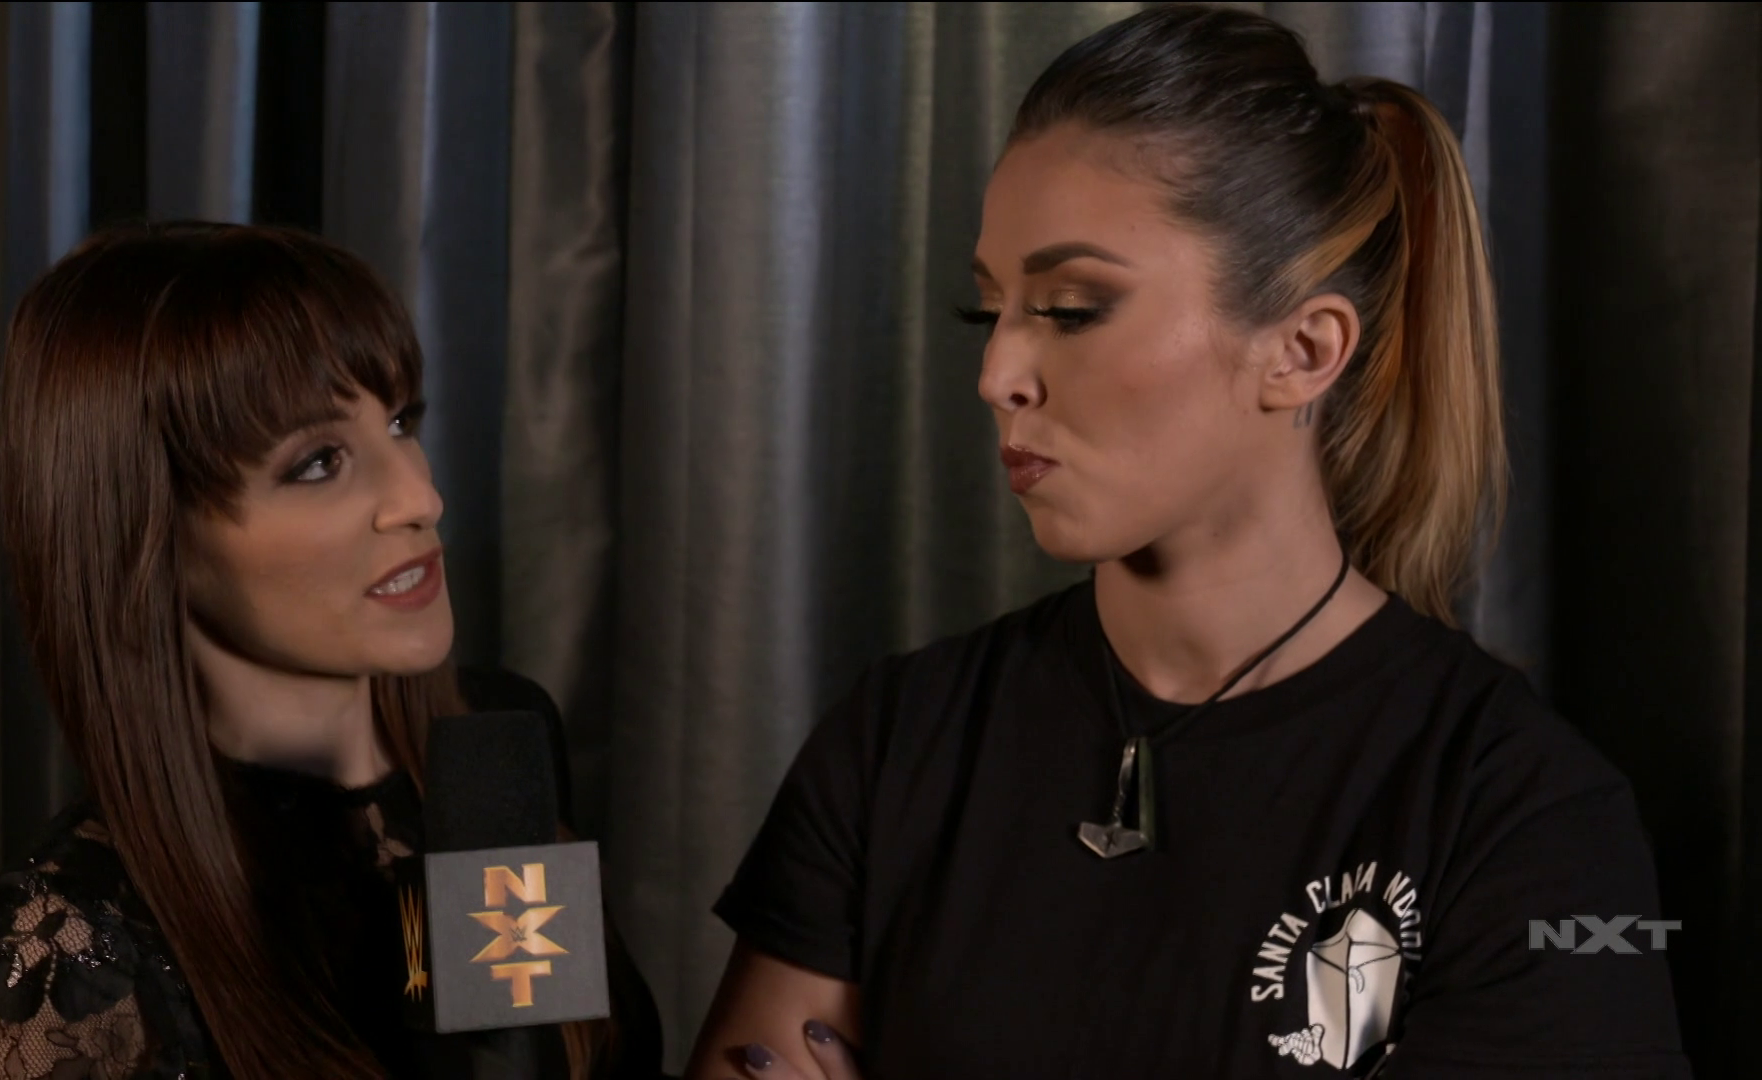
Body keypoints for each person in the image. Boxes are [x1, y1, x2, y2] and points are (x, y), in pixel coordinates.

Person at [688, 6, 1690, 1079]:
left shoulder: (1527, 814)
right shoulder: (899, 742)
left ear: (1302, 351)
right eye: (991, 312)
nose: (997, 376)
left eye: (1072, 308)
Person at [0, 223, 662, 1080]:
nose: (419, 497)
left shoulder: (494, 747)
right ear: (147, 536)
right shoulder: (68, 944)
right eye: (319, 463)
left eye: (400, 421)